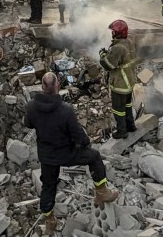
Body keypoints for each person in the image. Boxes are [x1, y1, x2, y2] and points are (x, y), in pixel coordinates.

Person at [25, 72, 119, 234]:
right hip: (68, 153)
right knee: (94, 157)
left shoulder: (32, 106)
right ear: (57, 86)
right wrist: (85, 143)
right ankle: (102, 192)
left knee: (48, 186)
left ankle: (49, 221)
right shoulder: (65, 110)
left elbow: (28, 124)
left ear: (42, 86)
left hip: (47, 156)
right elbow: (78, 135)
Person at [99, 20, 138, 139]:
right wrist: (109, 53)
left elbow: (109, 65)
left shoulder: (117, 48)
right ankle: (131, 126)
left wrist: (103, 56)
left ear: (118, 33)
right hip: (129, 82)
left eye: (113, 31)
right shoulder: (129, 42)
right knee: (127, 105)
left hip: (120, 84)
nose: (112, 33)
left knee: (118, 109)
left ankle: (122, 131)